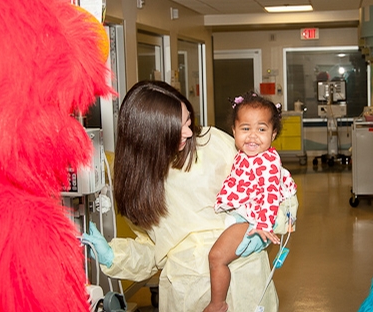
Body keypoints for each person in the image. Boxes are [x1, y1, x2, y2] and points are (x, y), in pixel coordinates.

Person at [82, 81, 279, 311]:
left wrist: (265, 228)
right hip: (187, 292)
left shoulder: (212, 142)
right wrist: (112, 256)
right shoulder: (137, 183)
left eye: (188, 120)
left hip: (245, 279)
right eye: (177, 126)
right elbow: (152, 251)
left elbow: (268, 181)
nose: (188, 131)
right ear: (149, 135)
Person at [204, 92, 297, 312]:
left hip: (257, 221)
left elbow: (269, 194)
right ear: (234, 131)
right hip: (247, 213)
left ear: (273, 134)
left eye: (261, 129)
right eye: (246, 129)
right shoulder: (243, 155)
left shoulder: (267, 162)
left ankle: (218, 304)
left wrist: (263, 225)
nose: (252, 136)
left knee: (216, 257)